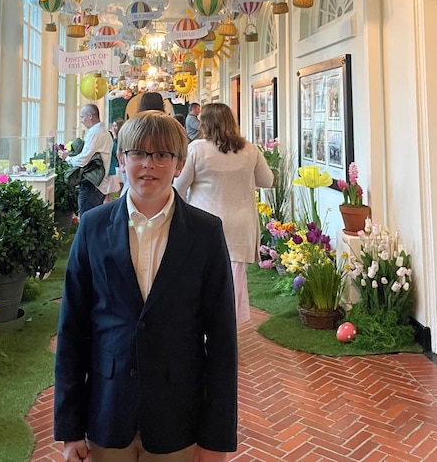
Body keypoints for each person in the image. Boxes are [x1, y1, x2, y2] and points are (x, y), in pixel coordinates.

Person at [54, 111, 238, 462]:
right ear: (121, 160)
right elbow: (72, 331)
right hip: (107, 413)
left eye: (162, 155)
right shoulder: (93, 228)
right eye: (138, 153)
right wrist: (69, 428)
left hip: (178, 417)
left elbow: (222, 340)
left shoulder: (205, 232)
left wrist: (217, 437)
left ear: (179, 164)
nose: (148, 165)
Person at [174, 102, 273, 327]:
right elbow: (267, 181)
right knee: (235, 281)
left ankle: (204, 328)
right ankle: (229, 332)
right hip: (240, 223)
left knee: (203, 277)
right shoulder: (250, 150)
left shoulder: (197, 149)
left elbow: (179, 187)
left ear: (205, 124)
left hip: (205, 223)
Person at [59, 104, 113, 216]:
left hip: (92, 185)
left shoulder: (95, 133)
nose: (81, 121)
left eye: (82, 117)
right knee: (93, 222)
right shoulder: (103, 132)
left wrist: (67, 158)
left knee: (86, 221)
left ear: (90, 116)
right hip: (99, 185)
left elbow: (84, 159)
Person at [107, 117, 125, 198]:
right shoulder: (113, 139)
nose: (113, 128)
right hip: (116, 166)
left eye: (115, 126)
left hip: (119, 166)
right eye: (113, 126)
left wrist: (114, 137)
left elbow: (116, 151)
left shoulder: (120, 140)